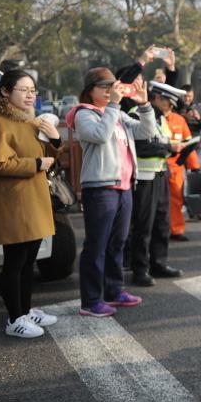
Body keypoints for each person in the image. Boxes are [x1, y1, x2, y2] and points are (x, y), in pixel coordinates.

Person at [0, 70, 62, 338]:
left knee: (29, 258)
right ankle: (15, 318)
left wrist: (55, 138)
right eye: (23, 89)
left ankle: (26, 309)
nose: (30, 94)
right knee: (15, 260)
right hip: (12, 201)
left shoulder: (32, 121)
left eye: (33, 89)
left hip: (33, 197)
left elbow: (50, 154)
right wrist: (35, 164)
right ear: (5, 92)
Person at [68, 68, 157, 317]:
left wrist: (145, 104)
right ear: (90, 91)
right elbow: (99, 135)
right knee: (96, 245)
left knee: (117, 243)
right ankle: (91, 300)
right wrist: (114, 106)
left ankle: (114, 291)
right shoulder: (83, 114)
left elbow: (145, 132)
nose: (110, 92)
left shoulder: (115, 113)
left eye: (112, 87)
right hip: (100, 188)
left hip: (124, 186)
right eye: (104, 87)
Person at [126, 81, 187, 285]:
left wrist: (169, 147)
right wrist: (169, 147)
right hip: (144, 179)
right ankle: (140, 269)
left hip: (160, 175)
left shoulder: (161, 118)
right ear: (157, 98)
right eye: (168, 102)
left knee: (162, 224)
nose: (170, 107)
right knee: (143, 227)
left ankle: (159, 264)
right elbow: (142, 148)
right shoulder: (137, 114)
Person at [164, 84, 201, 242]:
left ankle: (176, 230)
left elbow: (188, 143)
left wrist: (195, 166)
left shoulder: (179, 120)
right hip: (158, 166)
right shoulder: (154, 118)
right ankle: (160, 230)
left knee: (177, 200)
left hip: (177, 167)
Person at [180, 83, 201, 222]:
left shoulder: (198, 108)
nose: (187, 98)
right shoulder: (176, 108)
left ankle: (200, 210)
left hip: (195, 148)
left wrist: (198, 118)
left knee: (198, 180)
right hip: (180, 149)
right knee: (182, 182)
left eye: (189, 96)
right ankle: (190, 209)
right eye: (185, 96)